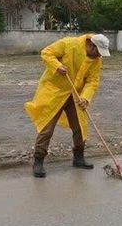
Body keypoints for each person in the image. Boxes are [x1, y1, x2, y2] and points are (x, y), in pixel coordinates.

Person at [25, 33, 110, 178]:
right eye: (97, 52)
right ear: (90, 44)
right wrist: (57, 66)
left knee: (80, 126)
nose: (98, 56)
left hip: (75, 95)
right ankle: (38, 161)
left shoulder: (97, 60)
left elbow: (92, 81)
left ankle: (79, 158)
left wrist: (85, 98)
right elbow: (47, 53)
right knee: (47, 128)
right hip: (54, 92)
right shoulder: (68, 44)